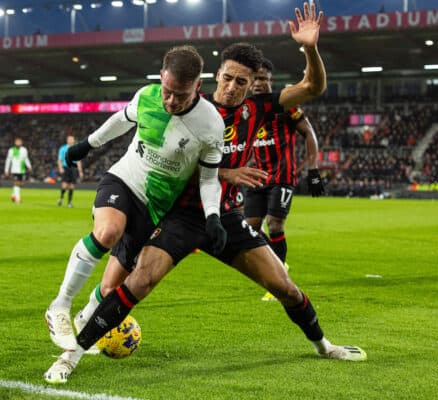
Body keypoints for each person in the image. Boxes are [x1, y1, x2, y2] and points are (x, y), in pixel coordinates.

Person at [44, 3, 366, 384]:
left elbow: (313, 87)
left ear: (252, 85)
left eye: (241, 82)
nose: (232, 87)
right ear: (214, 77)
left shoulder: (261, 108)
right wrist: (227, 171)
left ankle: (324, 346)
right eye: (227, 78)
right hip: (179, 214)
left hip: (226, 216)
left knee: (285, 287)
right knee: (137, 283)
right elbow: (166, 158)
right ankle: (71, 355)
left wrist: (310, 48)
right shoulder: (188, 106)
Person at [44, 45, 228, 352]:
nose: (171, 100)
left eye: (180, 95)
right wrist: (87, 145)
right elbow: (121, 120)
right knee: (107, 231)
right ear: (161, 78)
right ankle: (59, 307)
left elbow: (209, 179)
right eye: (167, 91)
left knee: (110, 287)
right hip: (124, 180)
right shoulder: (146, 96)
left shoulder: (211, 125)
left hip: (155, 207)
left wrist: (213, 216)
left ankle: (84, 321)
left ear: (198, 86)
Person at [244, 58, 324, 301]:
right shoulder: (247, 108)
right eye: (254, 79)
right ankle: (278, 265)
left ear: (270, 81)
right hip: (256, 177)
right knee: (249, 229)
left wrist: (313, 170)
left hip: (281, 176)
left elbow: (308, 132)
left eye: (262, 79)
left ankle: (278, 279)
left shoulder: (285, 104)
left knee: (275, 224)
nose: (257, 84)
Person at [57, 135, 84, 208]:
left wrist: (80, 171)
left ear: (74, 140)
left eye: (72, 139)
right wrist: (60, 168)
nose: (70, 140)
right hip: (66, 167)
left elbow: (78, 160)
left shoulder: (77, 148)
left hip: (73, 168)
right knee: (65, 185)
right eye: (69, 139)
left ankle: (69, 202)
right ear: (67, 140)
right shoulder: (63, 148)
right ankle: (61, 198)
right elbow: (60, 160)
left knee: (72, 186)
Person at [4, 138, 32, 203]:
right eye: (17, 142)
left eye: (19, 142)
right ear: (15, 143)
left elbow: (26, 158)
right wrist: (6, 170)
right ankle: (18, 199)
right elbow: (8, 160)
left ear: (21, 143)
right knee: (16, 184)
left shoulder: (24, 150)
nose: (18, 143)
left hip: (22, 169)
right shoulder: (11, 150)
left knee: (20, 184)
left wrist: (29, 166)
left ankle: (13, 195)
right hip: (14, 169)